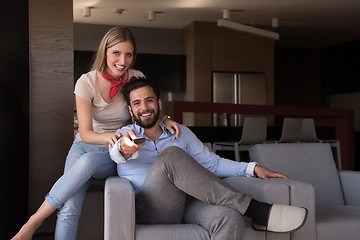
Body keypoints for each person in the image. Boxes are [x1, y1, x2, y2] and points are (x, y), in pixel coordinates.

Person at [11, 27, 181, 240]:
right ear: (105, 52)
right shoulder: (86, 82)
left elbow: (147, 111)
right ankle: (31, 226)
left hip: (115, 152)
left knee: (89, 162)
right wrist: (108, 136)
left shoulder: (137, 77)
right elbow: (85, 133)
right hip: (85, 144)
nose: (123, 60)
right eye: (116, 53)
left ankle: (33, 221)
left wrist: (165, 119)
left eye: (128, 54)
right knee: (69, 208)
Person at [108, 77, 308, 239]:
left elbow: (212, 163)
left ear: (159, 103)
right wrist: (125, 148)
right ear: (131, 110)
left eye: (149, 100)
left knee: (230, 217)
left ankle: (244, 209)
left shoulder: (180, 132)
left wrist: (252, 168)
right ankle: (254, 209)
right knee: (172, 155)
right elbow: (117, 152)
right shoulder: (125, 134)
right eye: (137, 103)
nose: (144, 107)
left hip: (187, 204)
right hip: (152, 209)